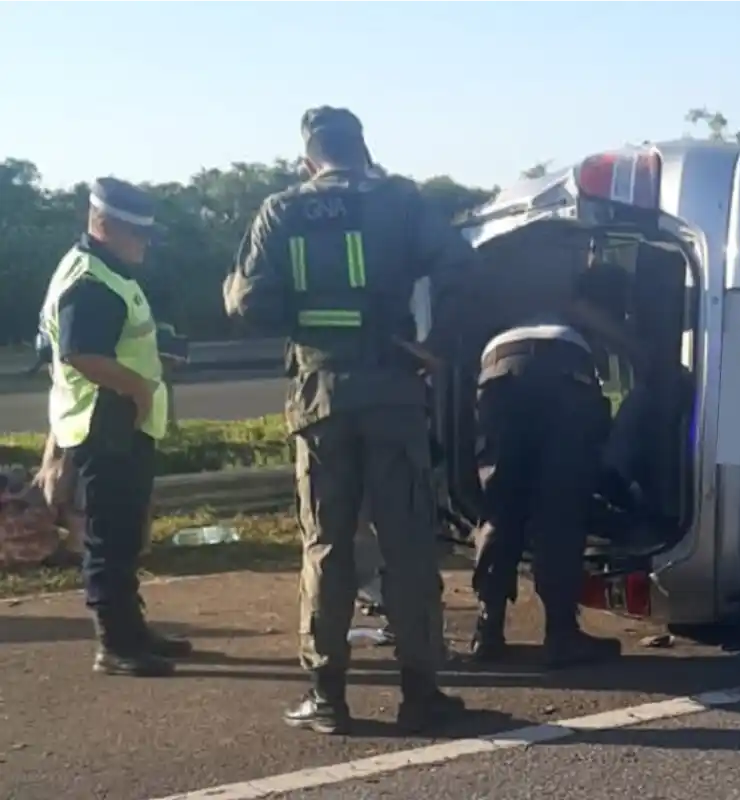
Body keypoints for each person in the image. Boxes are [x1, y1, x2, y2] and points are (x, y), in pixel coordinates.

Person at [224, 107, 479, 735]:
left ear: (309, 159)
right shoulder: (401, 201)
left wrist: (279, 311)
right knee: (407, 544)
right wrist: (434, 343)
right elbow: (462, 266)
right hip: (393, 391)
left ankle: (327, 697)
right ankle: (421, 692)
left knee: (328, 544)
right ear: (364, 151)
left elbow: (251, 302)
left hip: (321, 398)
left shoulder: (280, 210)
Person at [39, 178, 192, 676]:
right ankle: (117, 643)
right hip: (106, 422)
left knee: (124, 535)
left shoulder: (105, 269)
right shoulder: (92, 281)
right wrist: (138, 388)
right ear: (102, 224)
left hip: (115, 421)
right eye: (134, 233)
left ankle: (132, 630)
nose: (143, 243)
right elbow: (80, 354)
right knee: (110, 537)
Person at [469, 259, 640, 668]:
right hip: (561, 374)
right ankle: (561, 635)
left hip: (498, 371)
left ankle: (487, 631)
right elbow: (632, 353)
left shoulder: (532, 311)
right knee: (559, 509)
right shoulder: (586, 312)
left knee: (502, 505)